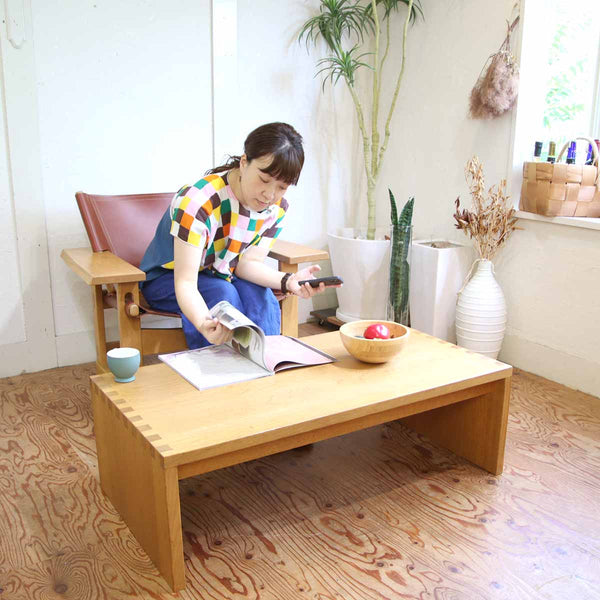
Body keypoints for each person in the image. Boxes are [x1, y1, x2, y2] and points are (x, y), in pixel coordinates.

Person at [140, 122, 330, 349]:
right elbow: (186, 283)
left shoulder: (275, 208)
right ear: (244, 162)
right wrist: (203, 323)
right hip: (167, 279)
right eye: (264, 179)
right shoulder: (198, 203)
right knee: (222, 293)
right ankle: (221, 366)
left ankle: (267, 361)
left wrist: (289, 281)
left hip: (221, 273)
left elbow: (247, 264)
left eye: (282, 187)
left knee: (261, 296)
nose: (269, 195)